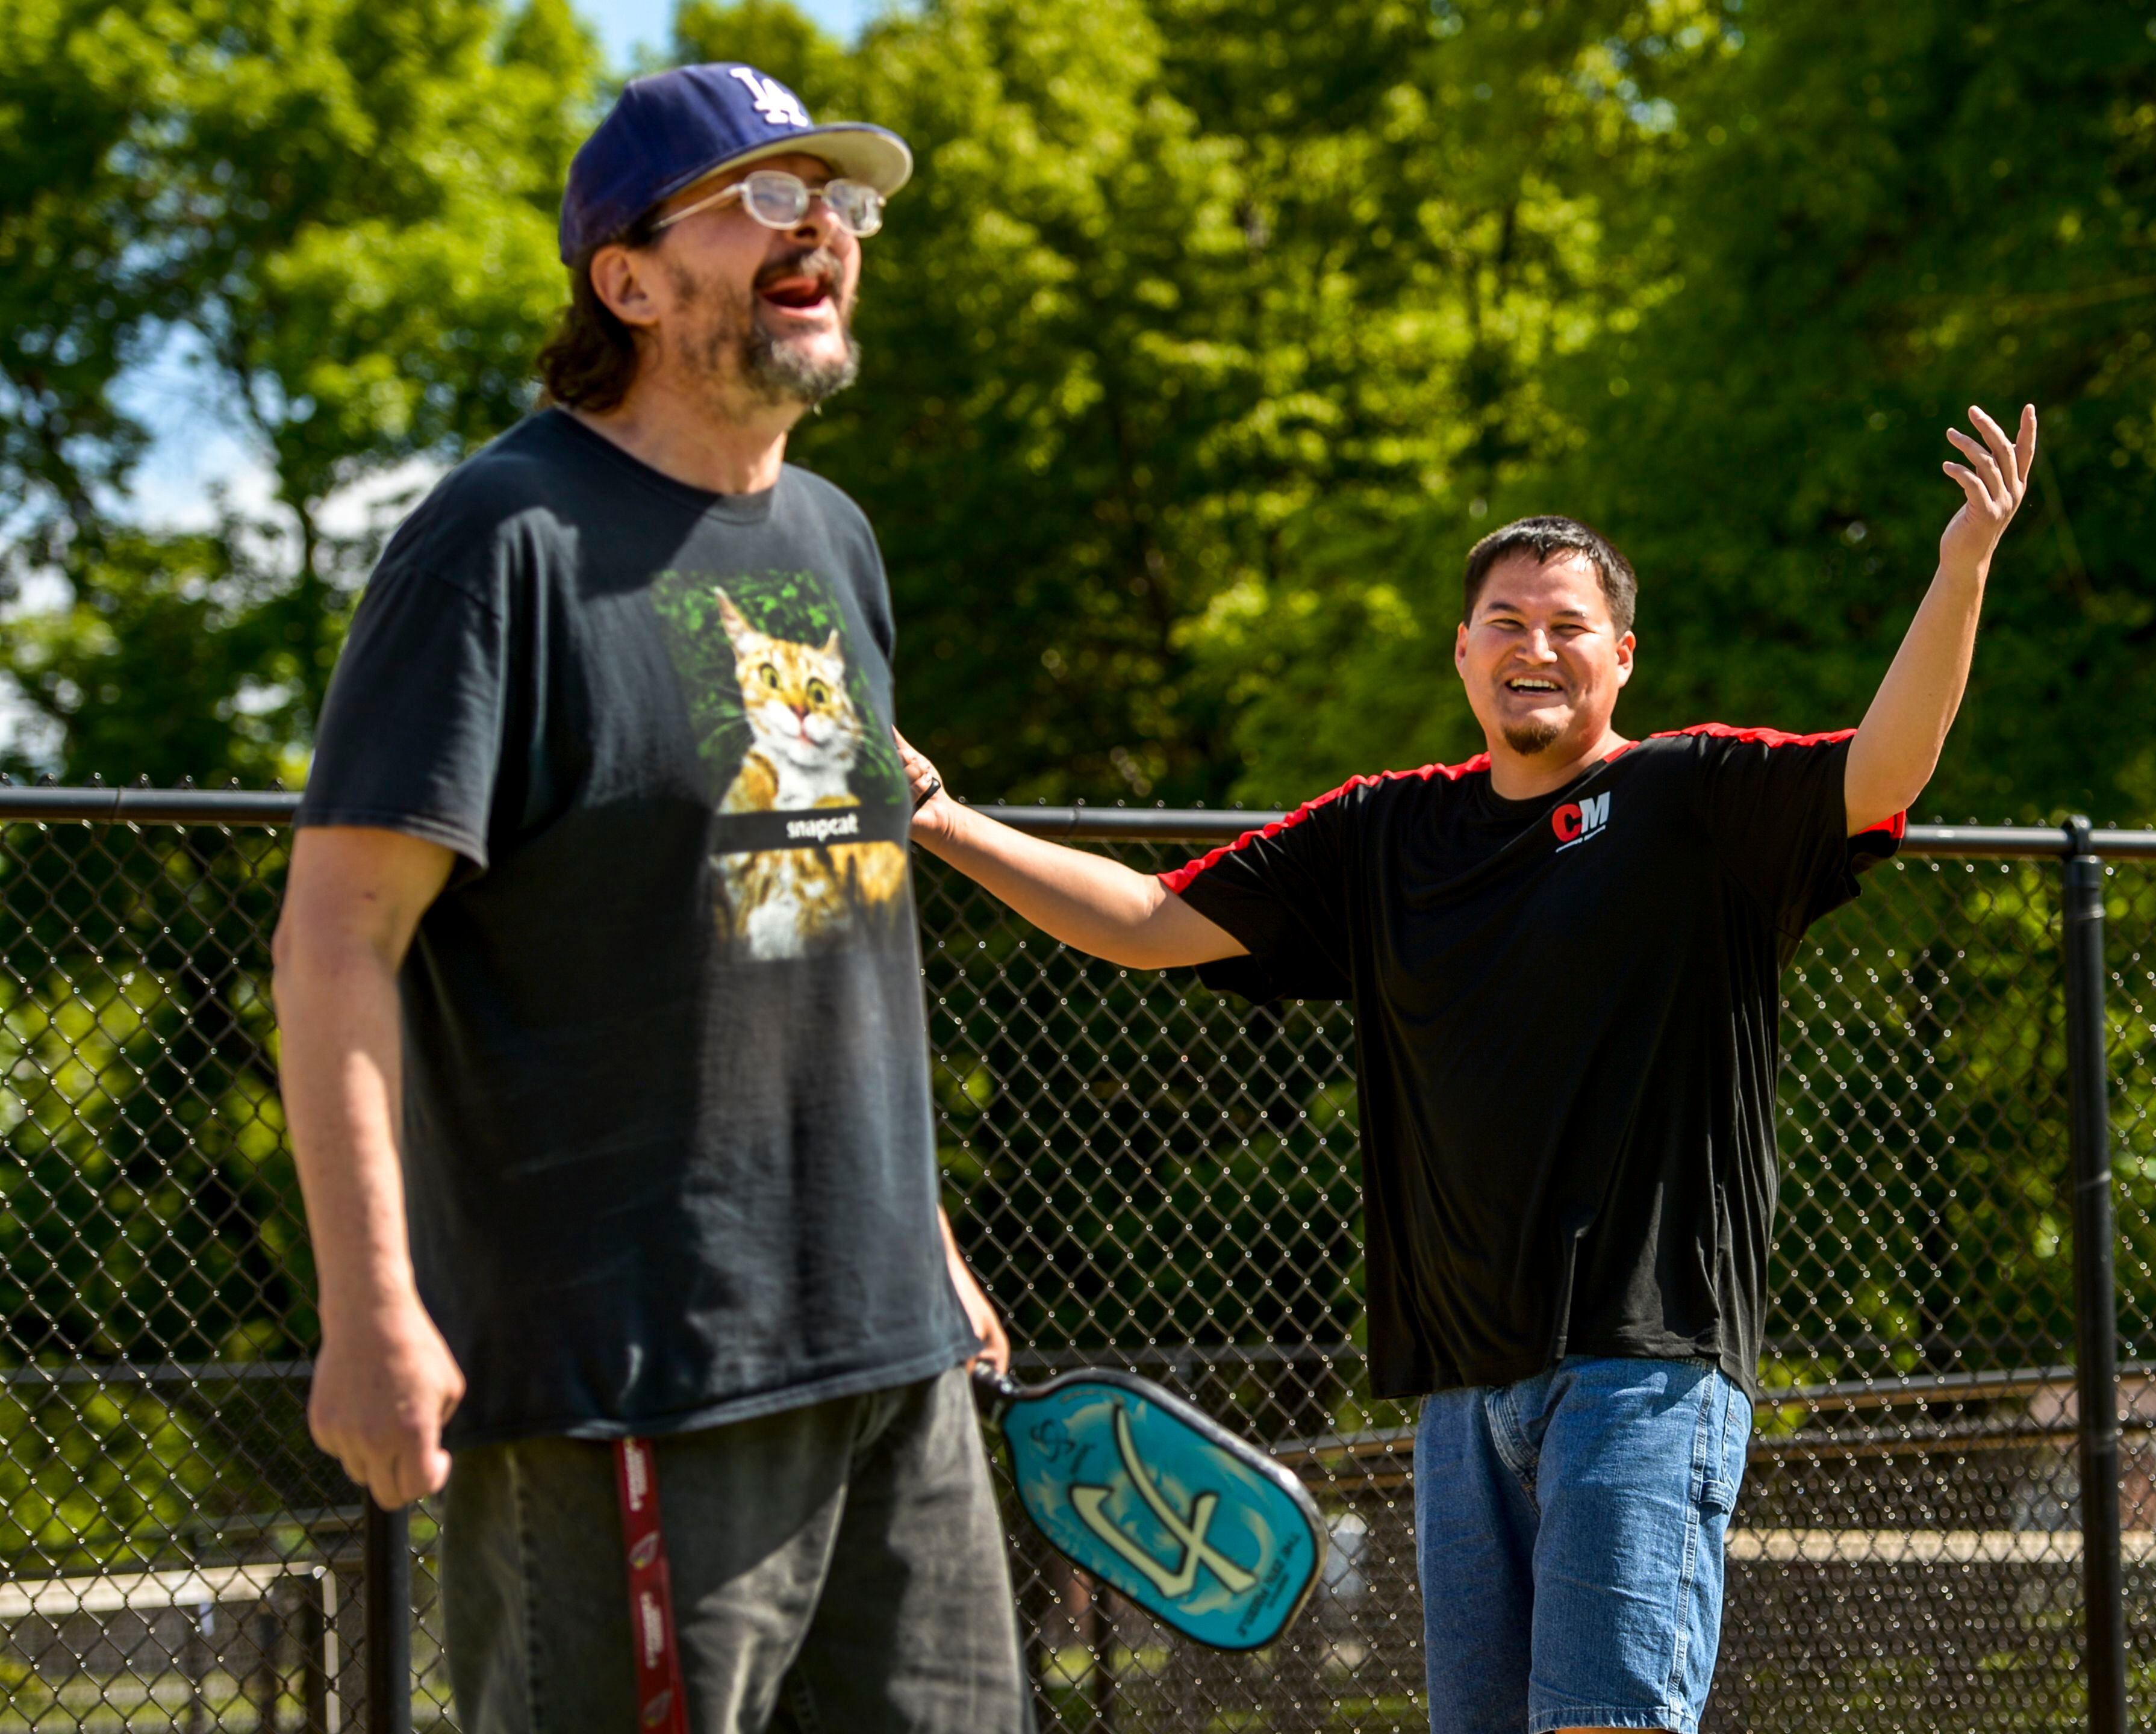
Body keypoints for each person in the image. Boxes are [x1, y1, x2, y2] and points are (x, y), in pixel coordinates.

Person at [897, 406, 2038, 1734]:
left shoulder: (1694, 801)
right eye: (1505, 621)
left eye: (1566, 625)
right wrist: (938, 819)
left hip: (1641, 1365)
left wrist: (1959, 566)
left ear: (1621, 654)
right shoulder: (1386, 830)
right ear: (1461, 650)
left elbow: (1882, 769)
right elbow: (1149, 923)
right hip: (1461, 1391)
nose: (1534, 648)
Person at [272, 64, 1031, 1734]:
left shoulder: (833, 540)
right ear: (623, 278)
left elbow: (826, 927)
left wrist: (927, 1240)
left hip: (893, 1360)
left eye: (840, 201)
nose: (821, 223)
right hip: (630, 1373)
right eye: (764, 195)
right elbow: (338, 937)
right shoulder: (497, 542)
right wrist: (369, 1309)